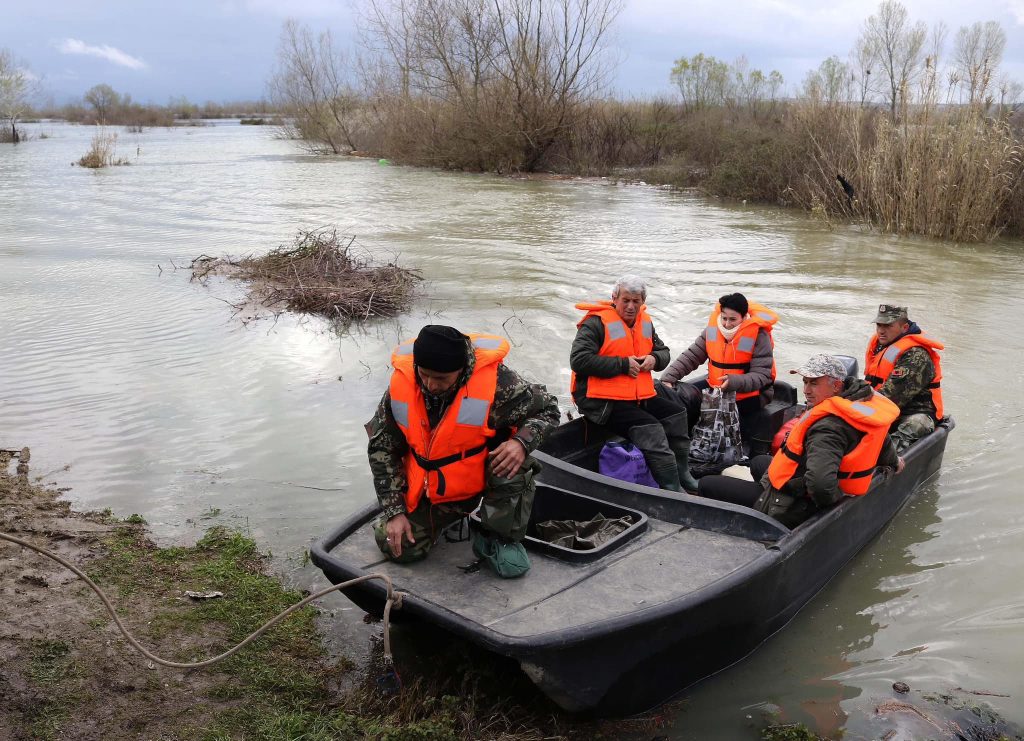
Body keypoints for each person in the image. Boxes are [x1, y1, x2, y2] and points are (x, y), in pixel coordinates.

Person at [366, 325, 561, 577]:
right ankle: (449, 520)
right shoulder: (401, 385)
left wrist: (521, 443)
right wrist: (395, 511)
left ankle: (497, 537)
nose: (431, 385)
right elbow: (381, 447)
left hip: (485, 472)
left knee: (514, 461)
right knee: (398, 548)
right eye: (424, 375)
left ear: (460, 371)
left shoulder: (500, 384)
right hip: (434, 485)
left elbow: (548, 409)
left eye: (441, 379)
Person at [698, 353, 904, 529]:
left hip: (789, 505)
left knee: (708, 485)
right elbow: (881, 441)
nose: (806, 390)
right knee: (759, 461)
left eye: (814, 383)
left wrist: (831, 506)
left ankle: (744, 528)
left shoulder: (828, 428)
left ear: (837, 386)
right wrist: (895, 462)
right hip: (801, 481)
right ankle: (766, 489)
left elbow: (821, 485)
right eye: (805, 382)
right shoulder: (859, 407)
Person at [570, 275, 698, 493]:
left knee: (677, 414)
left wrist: (655, 359)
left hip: (636, 395)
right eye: (625, 300)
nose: (630, 306)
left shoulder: (645, 323)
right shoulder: (595, 324)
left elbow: (663, 352)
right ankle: (672, 488)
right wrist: (622, 365)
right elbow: (578, 360)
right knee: (652, 429)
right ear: (614, 298)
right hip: (601, 401)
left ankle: (683, 473)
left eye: (636, 301)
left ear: (642, 302)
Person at [660, 292, 777, 448]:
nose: (727, 324)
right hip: (717, 387)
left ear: (744, 317)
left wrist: (734, 382)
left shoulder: (759, 334)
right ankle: (681, 444)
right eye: (724, 318)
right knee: (680, 398)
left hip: (751, 394)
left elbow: (762, 376)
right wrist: (668, 378)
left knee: (723, 425)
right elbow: (692, 356)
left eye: (733, 319)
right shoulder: (713, 329)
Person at [864, 304, 944, 454]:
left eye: (887, 325)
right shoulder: (881, 345)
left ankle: (885, 462)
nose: (881, 330)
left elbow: (890, 396)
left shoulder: (916, 356)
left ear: (905, 327)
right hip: (885, 407)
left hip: (914, 413)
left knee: (911, 427)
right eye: (879, 325)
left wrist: (854, 403)